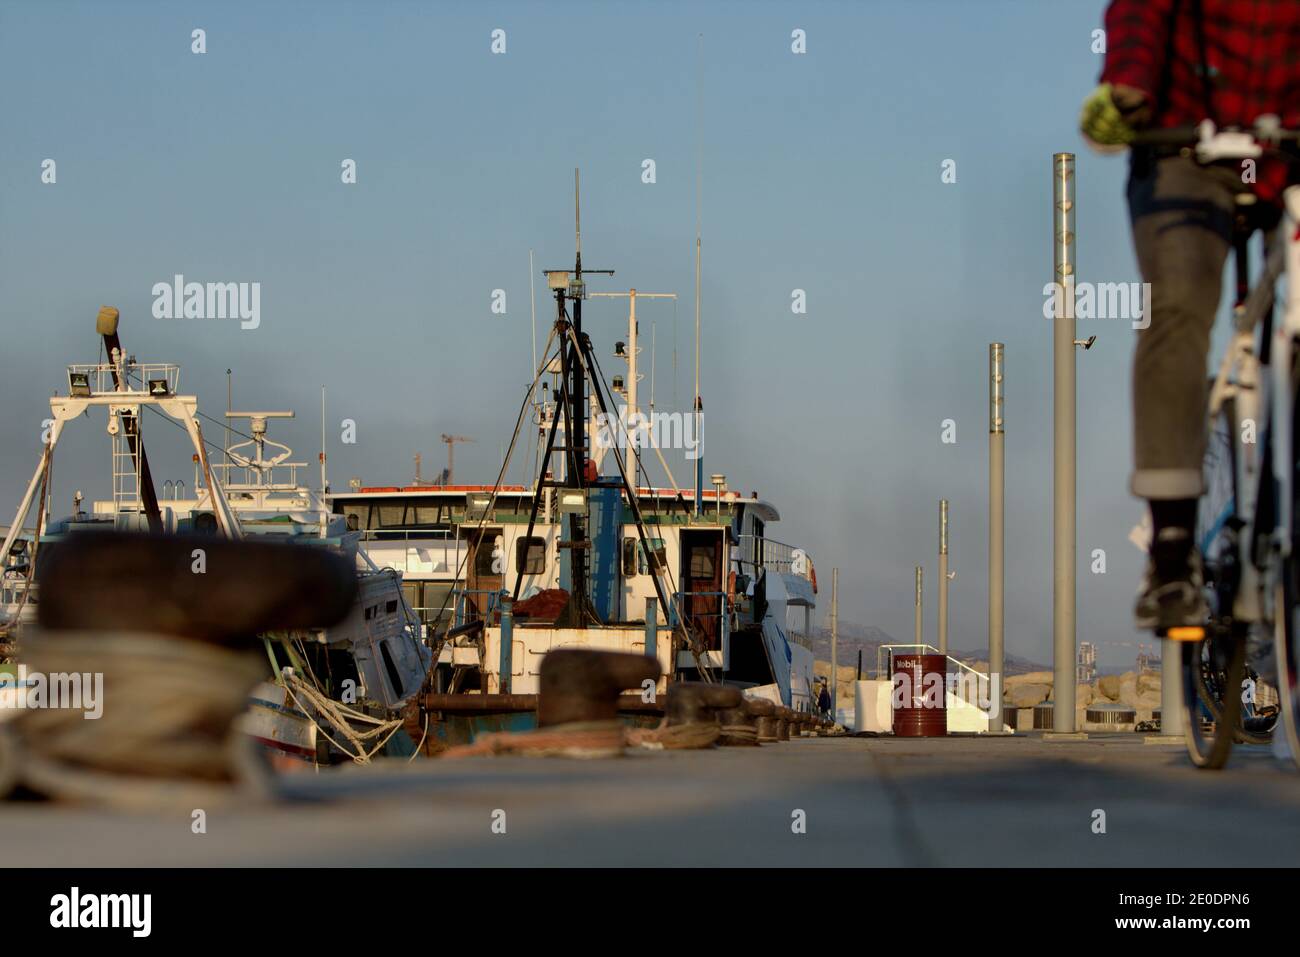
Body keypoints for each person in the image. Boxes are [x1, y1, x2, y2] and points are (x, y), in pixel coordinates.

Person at [1079, 0, 1300, 632]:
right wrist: (1127, 87)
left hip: (1287, 145)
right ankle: (1172, 552)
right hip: (1185, 142)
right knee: (1178, 303)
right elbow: (1143, 14)